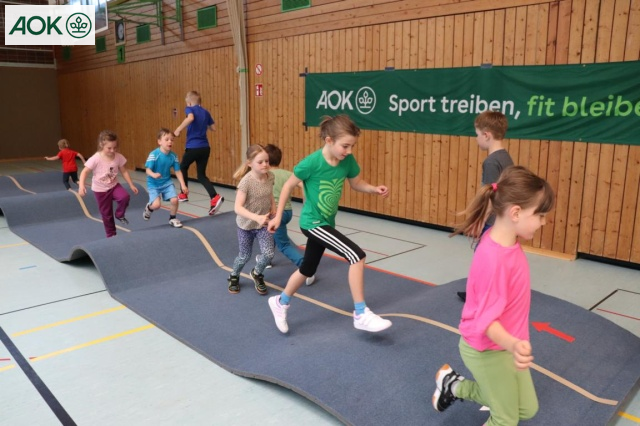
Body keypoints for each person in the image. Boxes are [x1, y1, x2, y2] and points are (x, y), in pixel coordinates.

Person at [432, 165, 555, 426]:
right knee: (505, 419)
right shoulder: (495, 259)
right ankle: (458, 387)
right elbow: (486, 323)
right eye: (540, 215)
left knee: (526, 409)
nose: (543, 222)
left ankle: (454, 386)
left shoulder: (505, 240)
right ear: (516, 213)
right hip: (488, 349)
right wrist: (513, 345)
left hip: (506, 345)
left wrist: (514, 343)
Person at [266, 115, 392, 334]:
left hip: (327, 222)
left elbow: (356, 183)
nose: (349, 151)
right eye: (345, 146)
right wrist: (277, 216)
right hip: (312, 223)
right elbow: (288, 186)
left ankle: (280, 301)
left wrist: (373, 188)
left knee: (307, 268)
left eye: (352, 146)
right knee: (356, 255)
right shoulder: (311, 163)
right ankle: (361, 313)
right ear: (329, 140)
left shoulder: (347, 161)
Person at [458, 110, 514, 302]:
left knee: (483, 256)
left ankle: (479, 295)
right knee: (494, 258)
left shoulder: (491, 162)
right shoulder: (505, 157)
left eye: (477, 134)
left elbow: (491, 196)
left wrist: (479, 222)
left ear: (486, 135)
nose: (476, 139)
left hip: (492, 221)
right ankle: (486, 292)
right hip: (503, 220)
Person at [262, 143, 315, 286]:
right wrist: (306, 202)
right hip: (287, 212)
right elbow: (304, 185)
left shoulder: (265, 175)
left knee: (284, 245)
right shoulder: (287, 174)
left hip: (275, 213)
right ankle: (267, 259)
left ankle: (306, 268)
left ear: (266, 160)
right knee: (271, 234)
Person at [227, 144, 276, 295]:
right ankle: (234, 275)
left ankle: (256, 273)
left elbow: (269, 193)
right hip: (246, 226)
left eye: (267, 161)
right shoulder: (246, 182)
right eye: (260, 162)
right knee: (244, 256)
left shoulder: (270, 177)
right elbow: (237, 207)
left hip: (263, 224)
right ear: (250, 164)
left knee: (269, 254)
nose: (265, 164)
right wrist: (256, 217)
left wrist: (273, 207)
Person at [78, 130, 139, 238]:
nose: (112, 150)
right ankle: (111, 235)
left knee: (124, 197)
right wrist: (81, 186)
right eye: (109, 148)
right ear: (102, 145)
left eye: (115, 148)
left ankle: (119, 214)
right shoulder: (96, 158)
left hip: (114, 186)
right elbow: (84, 172)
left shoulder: (118, 157)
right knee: (107, 214)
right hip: (100, 190)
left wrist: (131, 184)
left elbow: (124, 171)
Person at [173, 90, 224, 215]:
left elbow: (190, 118)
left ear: (190, 103)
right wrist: (202, 123)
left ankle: (183, 193)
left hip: (193, 146)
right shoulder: (205, 112)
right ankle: (214, 197)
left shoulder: (189, 109)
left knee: (182, 167)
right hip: (205, 148)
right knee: (201, 175)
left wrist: (178, 129)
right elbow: (213, 128)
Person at [142, 128, 189, 228]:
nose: (170, 142)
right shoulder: (154, 155)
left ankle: (172, 218)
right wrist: (153, 174)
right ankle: (149, 208)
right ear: (159, 142)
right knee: (156, 205)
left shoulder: (173, 156)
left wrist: (183, 185)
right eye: (167, 139)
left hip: (167, 183)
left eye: (172, 140)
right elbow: (147, 170)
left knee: (174, 200)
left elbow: (178, 171)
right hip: (154, 184)